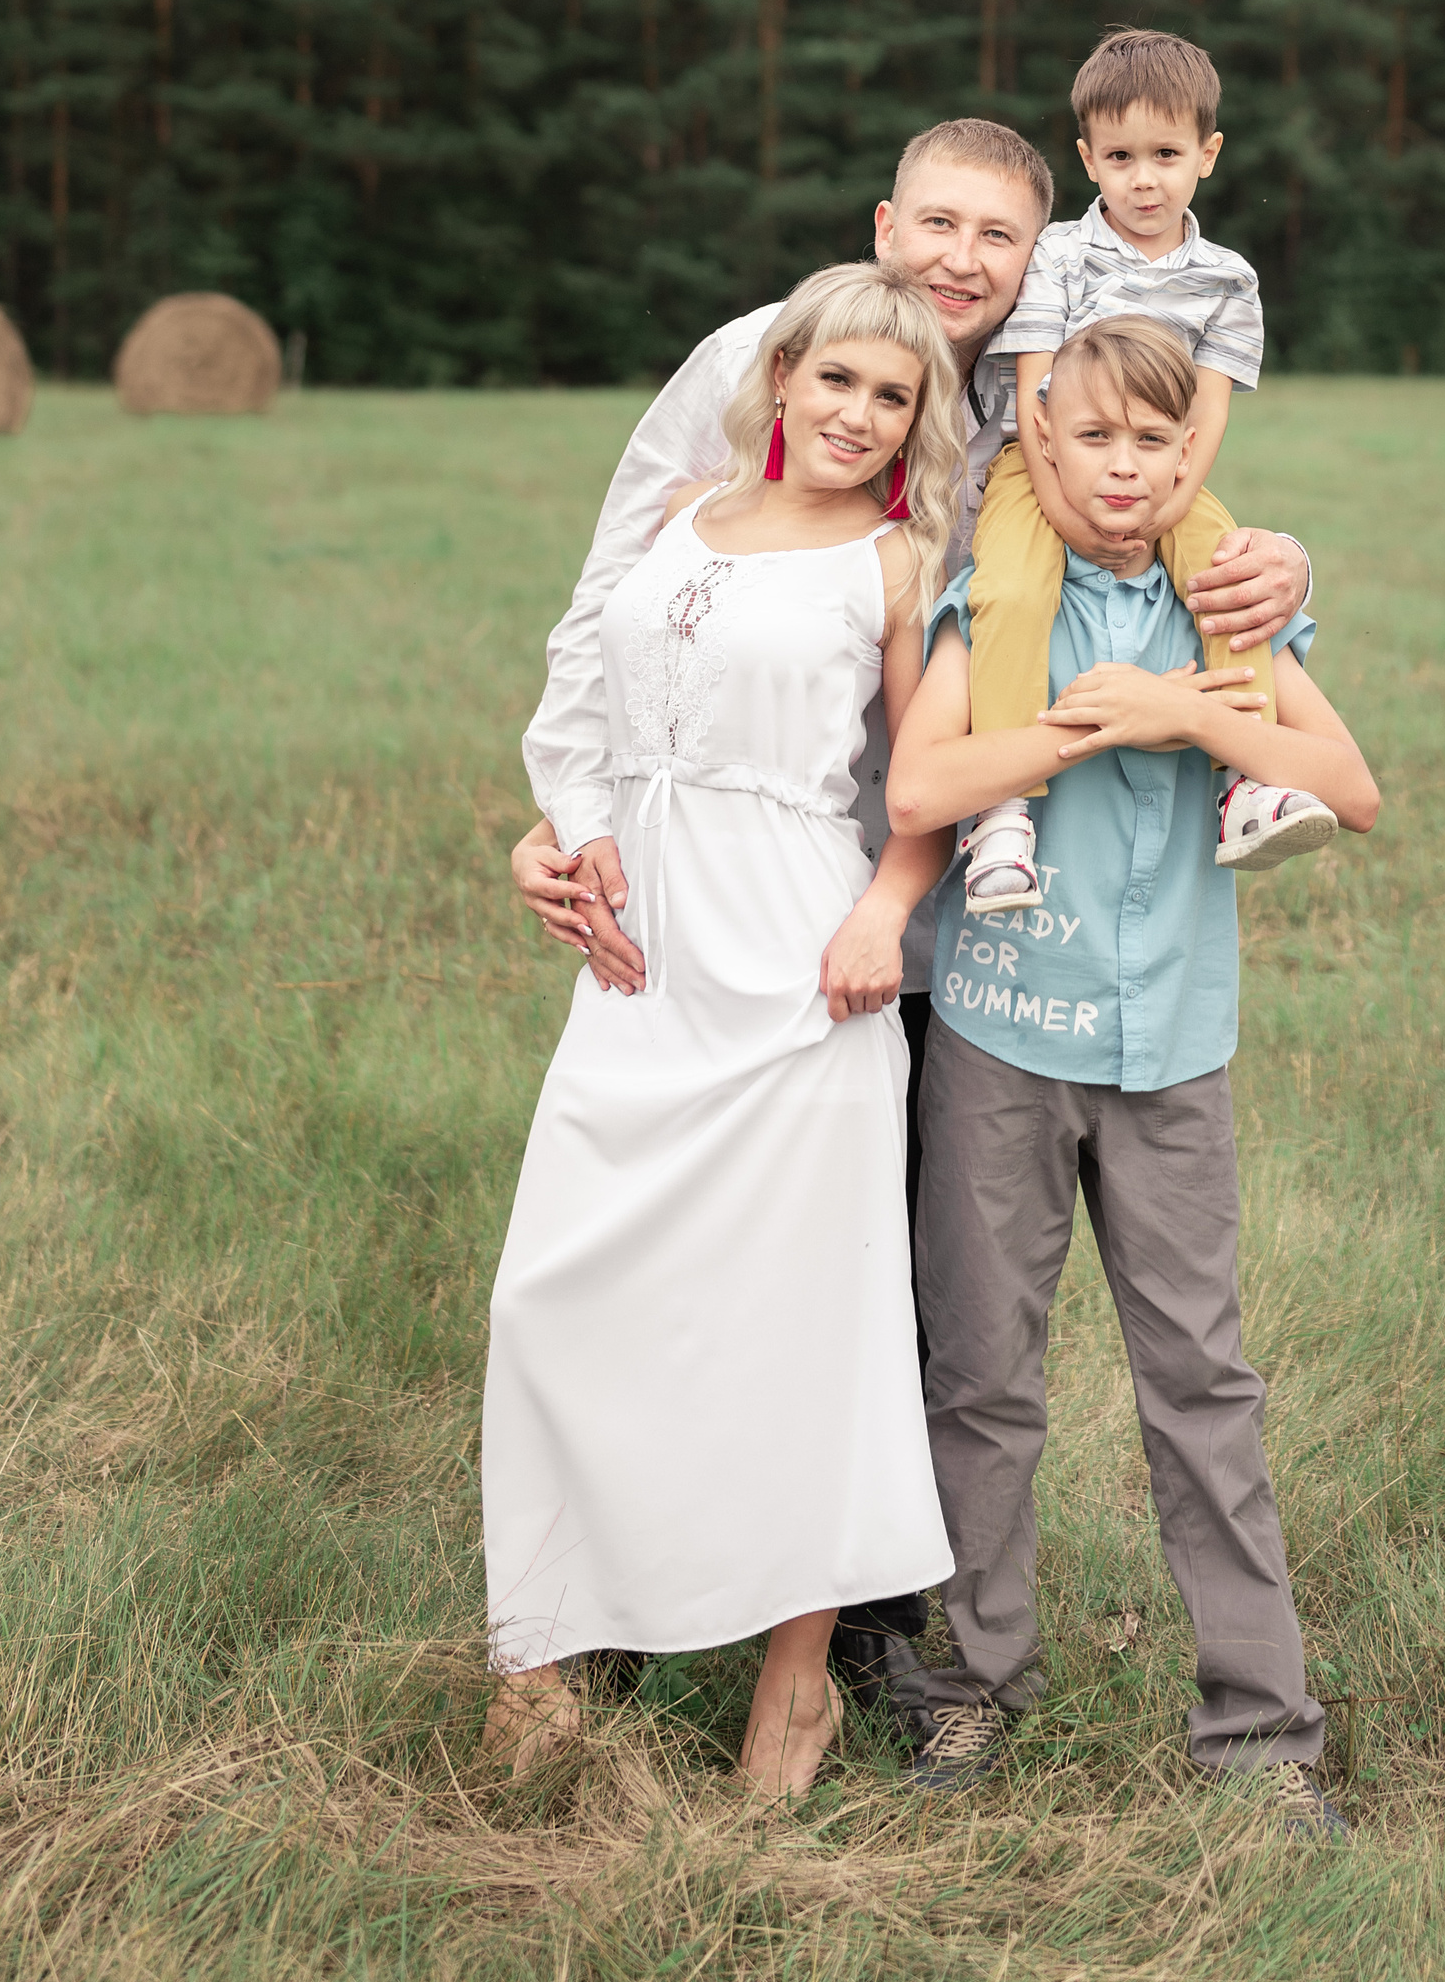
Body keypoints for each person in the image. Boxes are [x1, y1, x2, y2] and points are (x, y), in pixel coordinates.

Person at [507, 116, 1321, 1728]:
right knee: (683, 1250)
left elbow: (1164, 503)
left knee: (889, 1288)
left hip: (962, 923)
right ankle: (628, 1593)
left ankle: (881, 1624)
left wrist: (1291, 575)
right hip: (740, 891)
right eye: (936, 225)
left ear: (1039, 261)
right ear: (886, 223)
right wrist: (568, 817)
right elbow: (622, 601)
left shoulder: (1039, 378)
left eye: (996, 241)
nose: (959, 262)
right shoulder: (778, 358)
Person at [886, 316, 1380, 1836]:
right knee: (981, 1378)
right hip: (1000, 1037)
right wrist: (1063, 739)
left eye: (1157, 445)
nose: (1124, 469)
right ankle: (968, 1692)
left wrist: (1181, 711)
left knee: (1202, 1386)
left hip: (1171, 1051)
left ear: (1190, 461)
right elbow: (920, 785)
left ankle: (1262, 1730)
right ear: (1043, 445)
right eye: (1093, 439)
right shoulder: (998, 599)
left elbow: (1351, 790)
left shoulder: (1228, 614)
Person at [482, 264, 965, 1800]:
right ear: (782, 381)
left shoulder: (897, 564)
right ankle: (538, 1661)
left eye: (891, 397)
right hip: (642, 966)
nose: (857, 413)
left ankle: (797, 1684)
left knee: (798, 1331)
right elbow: (590, 718)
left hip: (796, 968)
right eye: (836, 382)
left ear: (913, 425)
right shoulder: (677, 510)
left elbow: (926, 789)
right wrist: (556, 833)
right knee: (555, 1295)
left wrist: (885, 914)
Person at [957, 27, 1337, 917]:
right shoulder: (1057, 253)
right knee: (1009, 589)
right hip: (1040, 461)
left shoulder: (1226, 281)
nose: (1143, 178)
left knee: (1226, 576)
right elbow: (1033, 389)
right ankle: (999, 809)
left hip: (1167, 474)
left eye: (1166, 154)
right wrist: (1063, 502)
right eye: (1120, 156)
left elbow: (1206, 412)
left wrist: (1166, 508)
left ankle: (1247, 777)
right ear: (1087, 157)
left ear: (1206, 155)